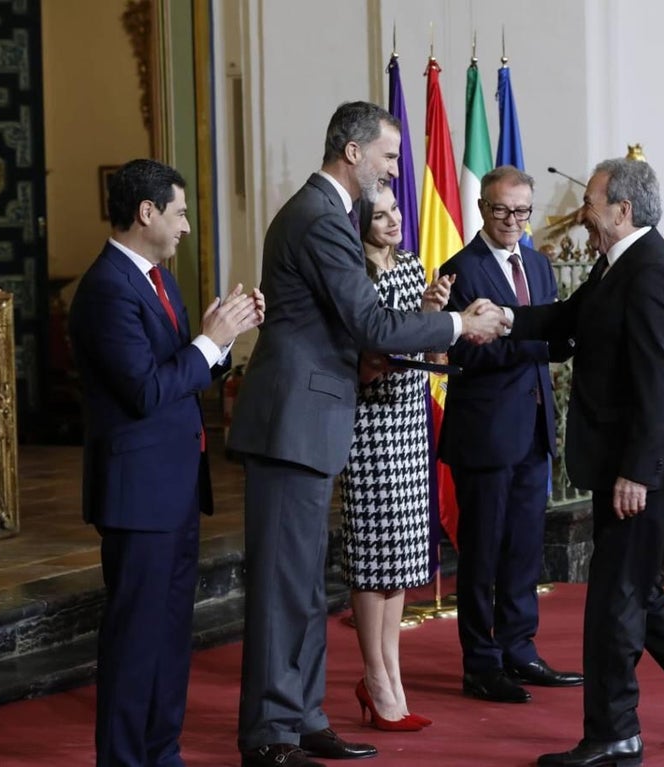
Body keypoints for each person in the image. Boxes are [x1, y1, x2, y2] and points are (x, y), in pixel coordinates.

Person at [225, 101, 508, 767]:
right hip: (292, 423)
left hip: (312, 420)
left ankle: (303, 716)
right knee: (281, 586)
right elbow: (370, 323)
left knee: (303, 584)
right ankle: (269, 734)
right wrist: (459, 326)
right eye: (387, 154)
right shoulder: (319, 218)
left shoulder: (327, 216)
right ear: (352, 152)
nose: (394, 167)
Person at [508, 158, 664, 767]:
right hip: (625, 459)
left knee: (615, 600)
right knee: (635, 590)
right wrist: (502, 319)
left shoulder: (652, 273)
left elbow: (660, 383)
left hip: (642, 467)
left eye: (590, 202)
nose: (581, 213)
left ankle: (614, 732)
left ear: (622, 210)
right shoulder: (618, 265)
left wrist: (637, 472)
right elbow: (567, 321)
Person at [68, 158, 263, 767]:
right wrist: (208, 342)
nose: (184, 226)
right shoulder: (105, 289)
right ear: (146, 212)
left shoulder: (161, 280)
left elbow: (184, 376)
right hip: (136, 493)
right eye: (178, 212)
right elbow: (146, 391)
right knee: (134, 640)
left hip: (177, 487)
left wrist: (221, 340)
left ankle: (162, 753)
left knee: (172, 634)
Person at [438, 165, 582, 705]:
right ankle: (481, 661)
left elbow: (555, 332)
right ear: (482, 209)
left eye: (523, 211)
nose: (513, 221)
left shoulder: (541, 265)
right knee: (482, 553)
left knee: (524, 548)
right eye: (502, 210)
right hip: (486, 433)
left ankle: (520, 649)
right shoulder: (461, 270)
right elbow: (464, 348)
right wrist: (541, 341)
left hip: (535, 430)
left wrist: (560, 338)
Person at [338, 186, 451, 731]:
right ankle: (374, 677)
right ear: (359, 223)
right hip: (368, 423)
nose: (392, 221)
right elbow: (348, 354)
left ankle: (391, 675)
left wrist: (432, 315)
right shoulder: (352, 275)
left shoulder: (411, 266)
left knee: (402, 556)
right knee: (372, 558)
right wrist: (373, 361)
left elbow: (432, 354)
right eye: (378, 215)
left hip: (408, 422)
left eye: (395, 211)